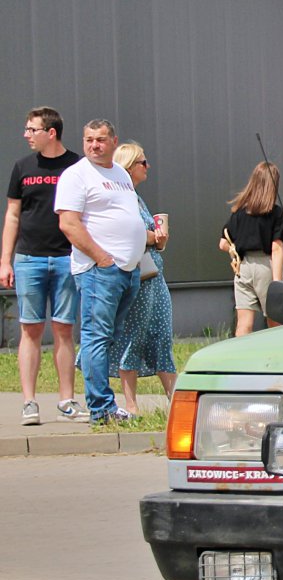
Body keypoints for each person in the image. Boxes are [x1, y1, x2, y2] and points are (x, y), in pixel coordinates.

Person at [54, 119, 147, 425]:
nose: (94, 145)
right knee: (96, 337)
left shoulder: (119, 173)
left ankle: (105, 404)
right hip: (99, 271)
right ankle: (101, 409)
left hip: (127, 270)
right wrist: (102, 258)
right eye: (89, 139)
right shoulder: (76, 175)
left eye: (101, 139)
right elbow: (69, 223)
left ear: (113, 141)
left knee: (109, 338)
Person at [1, 107, 84, 425]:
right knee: (30, 329)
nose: (26, 135)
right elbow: (12, 215)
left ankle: (66, 400)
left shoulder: (76, 166)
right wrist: (5, 261)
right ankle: (29, 402)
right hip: (29, 259)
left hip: (67, 258)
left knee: (64, 328)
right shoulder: (22, 167)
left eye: (31, 129)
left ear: (51, 133)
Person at [109, 143, 176, 412]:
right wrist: (153, 236)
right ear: (129, 166)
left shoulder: (137, 197)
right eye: (143, 162)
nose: (147, 167)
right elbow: (130, 231)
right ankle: (131, 404)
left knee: (161, 335)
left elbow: (149, 237)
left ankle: (175, 400)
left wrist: (159, 240)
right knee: (133, 336)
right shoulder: (121, 197)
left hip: (154, 275)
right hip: (138, 275)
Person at [221, 161, 283, 336]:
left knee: (243, 324)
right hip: (266, 266)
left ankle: (241, 361)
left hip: (242, 269)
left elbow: (222, 243)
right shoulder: (276, 213)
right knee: (276, 321)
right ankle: (276, 358)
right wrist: (277, 283)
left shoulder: (238, 212)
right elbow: (276, 248)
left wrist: (234, 250)